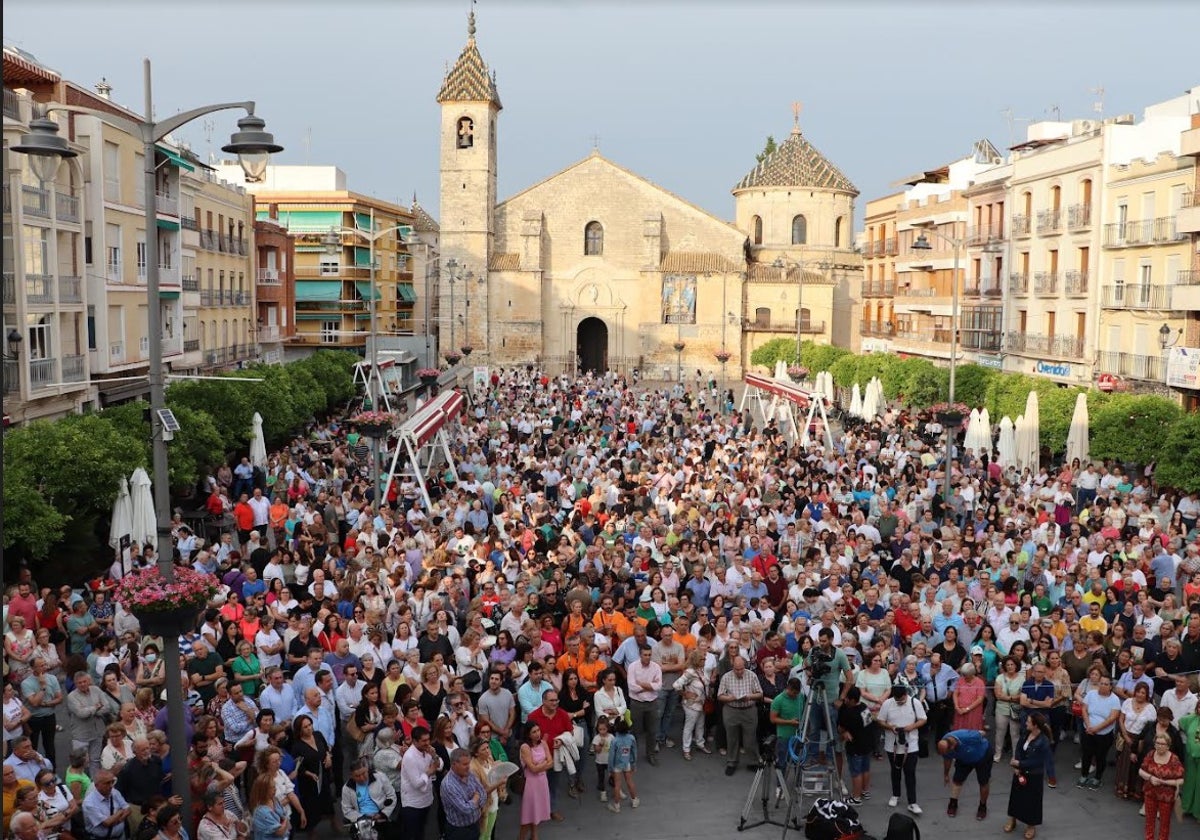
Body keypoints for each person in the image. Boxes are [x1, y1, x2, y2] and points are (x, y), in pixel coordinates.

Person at [877, 682, 926, 815]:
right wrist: (891, 727)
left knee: (910, 772)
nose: (899, 702)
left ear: (906, 694)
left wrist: (912, 727)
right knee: (895, 771)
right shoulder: (887, 703)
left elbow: (923, 719)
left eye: (902, 700)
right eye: (897, 700)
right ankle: (895, 794)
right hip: (892, 745)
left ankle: (912, 802)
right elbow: (880, 720)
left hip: (911, 745)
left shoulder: (915, 703)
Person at [1005, 712, 1051, 840]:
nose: (1026, 723)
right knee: (1016, 797)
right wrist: (1017, 766)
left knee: (1032, 801)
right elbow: (1019, 749)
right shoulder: (1026, 734)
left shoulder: (1043, 741)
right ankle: (1012, 819)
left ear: (1035, 725)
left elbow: (1037, 761)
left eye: (1028, 722)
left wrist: (1020, 763)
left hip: (1034, 775)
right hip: (1020, 772)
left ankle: (1031, 825)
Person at [716, 655, 762, 776]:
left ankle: (753, 761)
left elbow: (760, 694)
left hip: (749, 710)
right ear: (733, 667)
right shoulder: (726, 677)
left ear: (745, 666)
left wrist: (749, 696)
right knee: (732, 738)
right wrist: (730, 698)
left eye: (741, 669)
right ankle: (732, 762)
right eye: (737, 669)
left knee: (750, 738)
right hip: (731, 710)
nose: (739, 671)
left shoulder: (752, 675)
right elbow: (720, 695)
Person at [1138, 731, 1185, 840]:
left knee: (1164, 823)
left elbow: (1181, 780)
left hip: (1166, 797)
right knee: (1149, 821)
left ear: (1168, 746)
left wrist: (1165, 782)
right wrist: (1150, 778)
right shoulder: (1150, 754)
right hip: (1150, 793)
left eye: (1162, 744)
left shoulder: (1174, 759)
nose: (1159, 746)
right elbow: (1141, 771)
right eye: (1157, 743)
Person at [937, 729, 992, 820]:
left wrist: (981, 730)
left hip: (983, 755)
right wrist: (946, 774)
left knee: (983, 782)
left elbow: (982, 733)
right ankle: (953, 803)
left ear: (953, 745)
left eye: (949, 752)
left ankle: (982, 806)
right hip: (964, 758)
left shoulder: (969, 736)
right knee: (957, 780)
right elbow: (947, 759)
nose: (948, 754)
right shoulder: (945, 747)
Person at [1078, 675, 1121, 790]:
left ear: (1110, 686)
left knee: (1100, 757)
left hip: (1104, 734)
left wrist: (1096, 729)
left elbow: (1112, 718)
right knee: (1086, 754)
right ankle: (1084, 775)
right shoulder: (1091, 694)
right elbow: (1084, 709)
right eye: (1101, 683)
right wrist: (1088, 725)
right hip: (1088, 730)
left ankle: (1097, 778)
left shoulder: (1115, 699)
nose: (1102, 686)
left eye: (1106, 684)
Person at [339, 757, 397, 840]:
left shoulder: (380, 777)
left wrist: (383, 814)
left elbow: (391, 796)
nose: (362, 778)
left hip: (381, 818)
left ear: (367, 769)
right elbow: (346, 809)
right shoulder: (347, 788)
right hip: (360, 820)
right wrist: (362, 818)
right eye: (357, 776)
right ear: (351, 776)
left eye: (364, 773)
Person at [836, 686, 876, 805]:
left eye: (847, 699)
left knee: (856, 772)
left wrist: (843, 732)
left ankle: (856, 797)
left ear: (852, 700)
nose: (845, 701)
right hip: (867, 744)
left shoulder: (850, 713)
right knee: (865, 769)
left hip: (855, 746)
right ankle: (865, 791)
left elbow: (841, 728)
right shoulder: (864, 707)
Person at [399, 725, 439, 840]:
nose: (427, 743)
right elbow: (417, 783)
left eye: (428, 739)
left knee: (421, 833)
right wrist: (429, 772)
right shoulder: (409, 757)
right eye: (424, 741)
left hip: (426, 800)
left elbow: (439, 765)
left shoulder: (428, 751)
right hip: (413, 804)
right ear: (415, 741)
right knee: (412, 835)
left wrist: (434, 755)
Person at [440, 748, 486, 840]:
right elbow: (465, 809)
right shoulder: (449, 785)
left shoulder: (470, 774)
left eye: (468, 763)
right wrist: (475, 799)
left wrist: (474, 802)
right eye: (465, 764)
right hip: (459, 832)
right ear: (454, 764)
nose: (468, 767)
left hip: (474, 825)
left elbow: (483, 793)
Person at [518, 722, 552, 840]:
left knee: (537, 813)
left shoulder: (543, 743)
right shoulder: (525, 747)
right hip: (531, 784)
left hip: (542, 781)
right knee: (528, 815)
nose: (537, 734)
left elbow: (551, 762)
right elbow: (532, 769)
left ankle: (534, 837)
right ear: (528, 734)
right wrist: (544, 764)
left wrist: (540, 765)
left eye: (538, 730)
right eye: (534, 732)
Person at [82, 771, 132, 840]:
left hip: (121, 836)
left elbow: (128, 809)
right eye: (107, 783)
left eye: (112, 782)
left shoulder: (115, 793)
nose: (111, 786)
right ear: (97, 785)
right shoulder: (89, 802)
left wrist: (117, 820)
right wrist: (120, 811)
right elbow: (107, 823)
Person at [606, 717, 638, 813]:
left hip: (616, 765)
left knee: (617, 785)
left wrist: (610, 768)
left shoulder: (615, 741)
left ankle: (617, 806)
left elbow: (611, 756)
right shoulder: (631, 738)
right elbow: (634, 751)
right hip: (627, 763)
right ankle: (634, 800)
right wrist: (633, 763)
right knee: (629, 782)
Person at [249, 774, 289, 840]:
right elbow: (280, 831)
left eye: (275, 786)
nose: (275, 789)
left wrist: (284, 821)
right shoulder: (261, 811)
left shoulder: (274, 800)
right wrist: (286, 819)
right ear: (264, 790)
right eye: (272, 788)